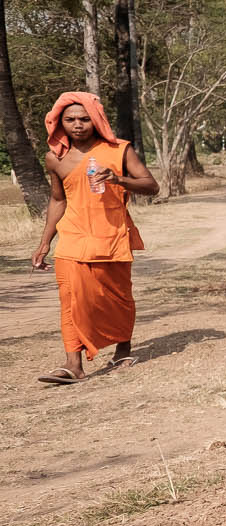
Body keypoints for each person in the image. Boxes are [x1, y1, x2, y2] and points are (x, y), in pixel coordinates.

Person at [30, 92, 157, 384]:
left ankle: (123, 349)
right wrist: (44, 242)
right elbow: (57, 200)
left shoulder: (119, 150)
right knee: (70, 299)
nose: (77, 125)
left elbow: (152, 186)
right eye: (70, 119)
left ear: (96, 120)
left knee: (118, 298)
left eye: (84, 119)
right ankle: (73, 364)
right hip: (73, 237)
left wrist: (118, 179)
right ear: (60, 123)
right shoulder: (55, 158)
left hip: (111, 236)